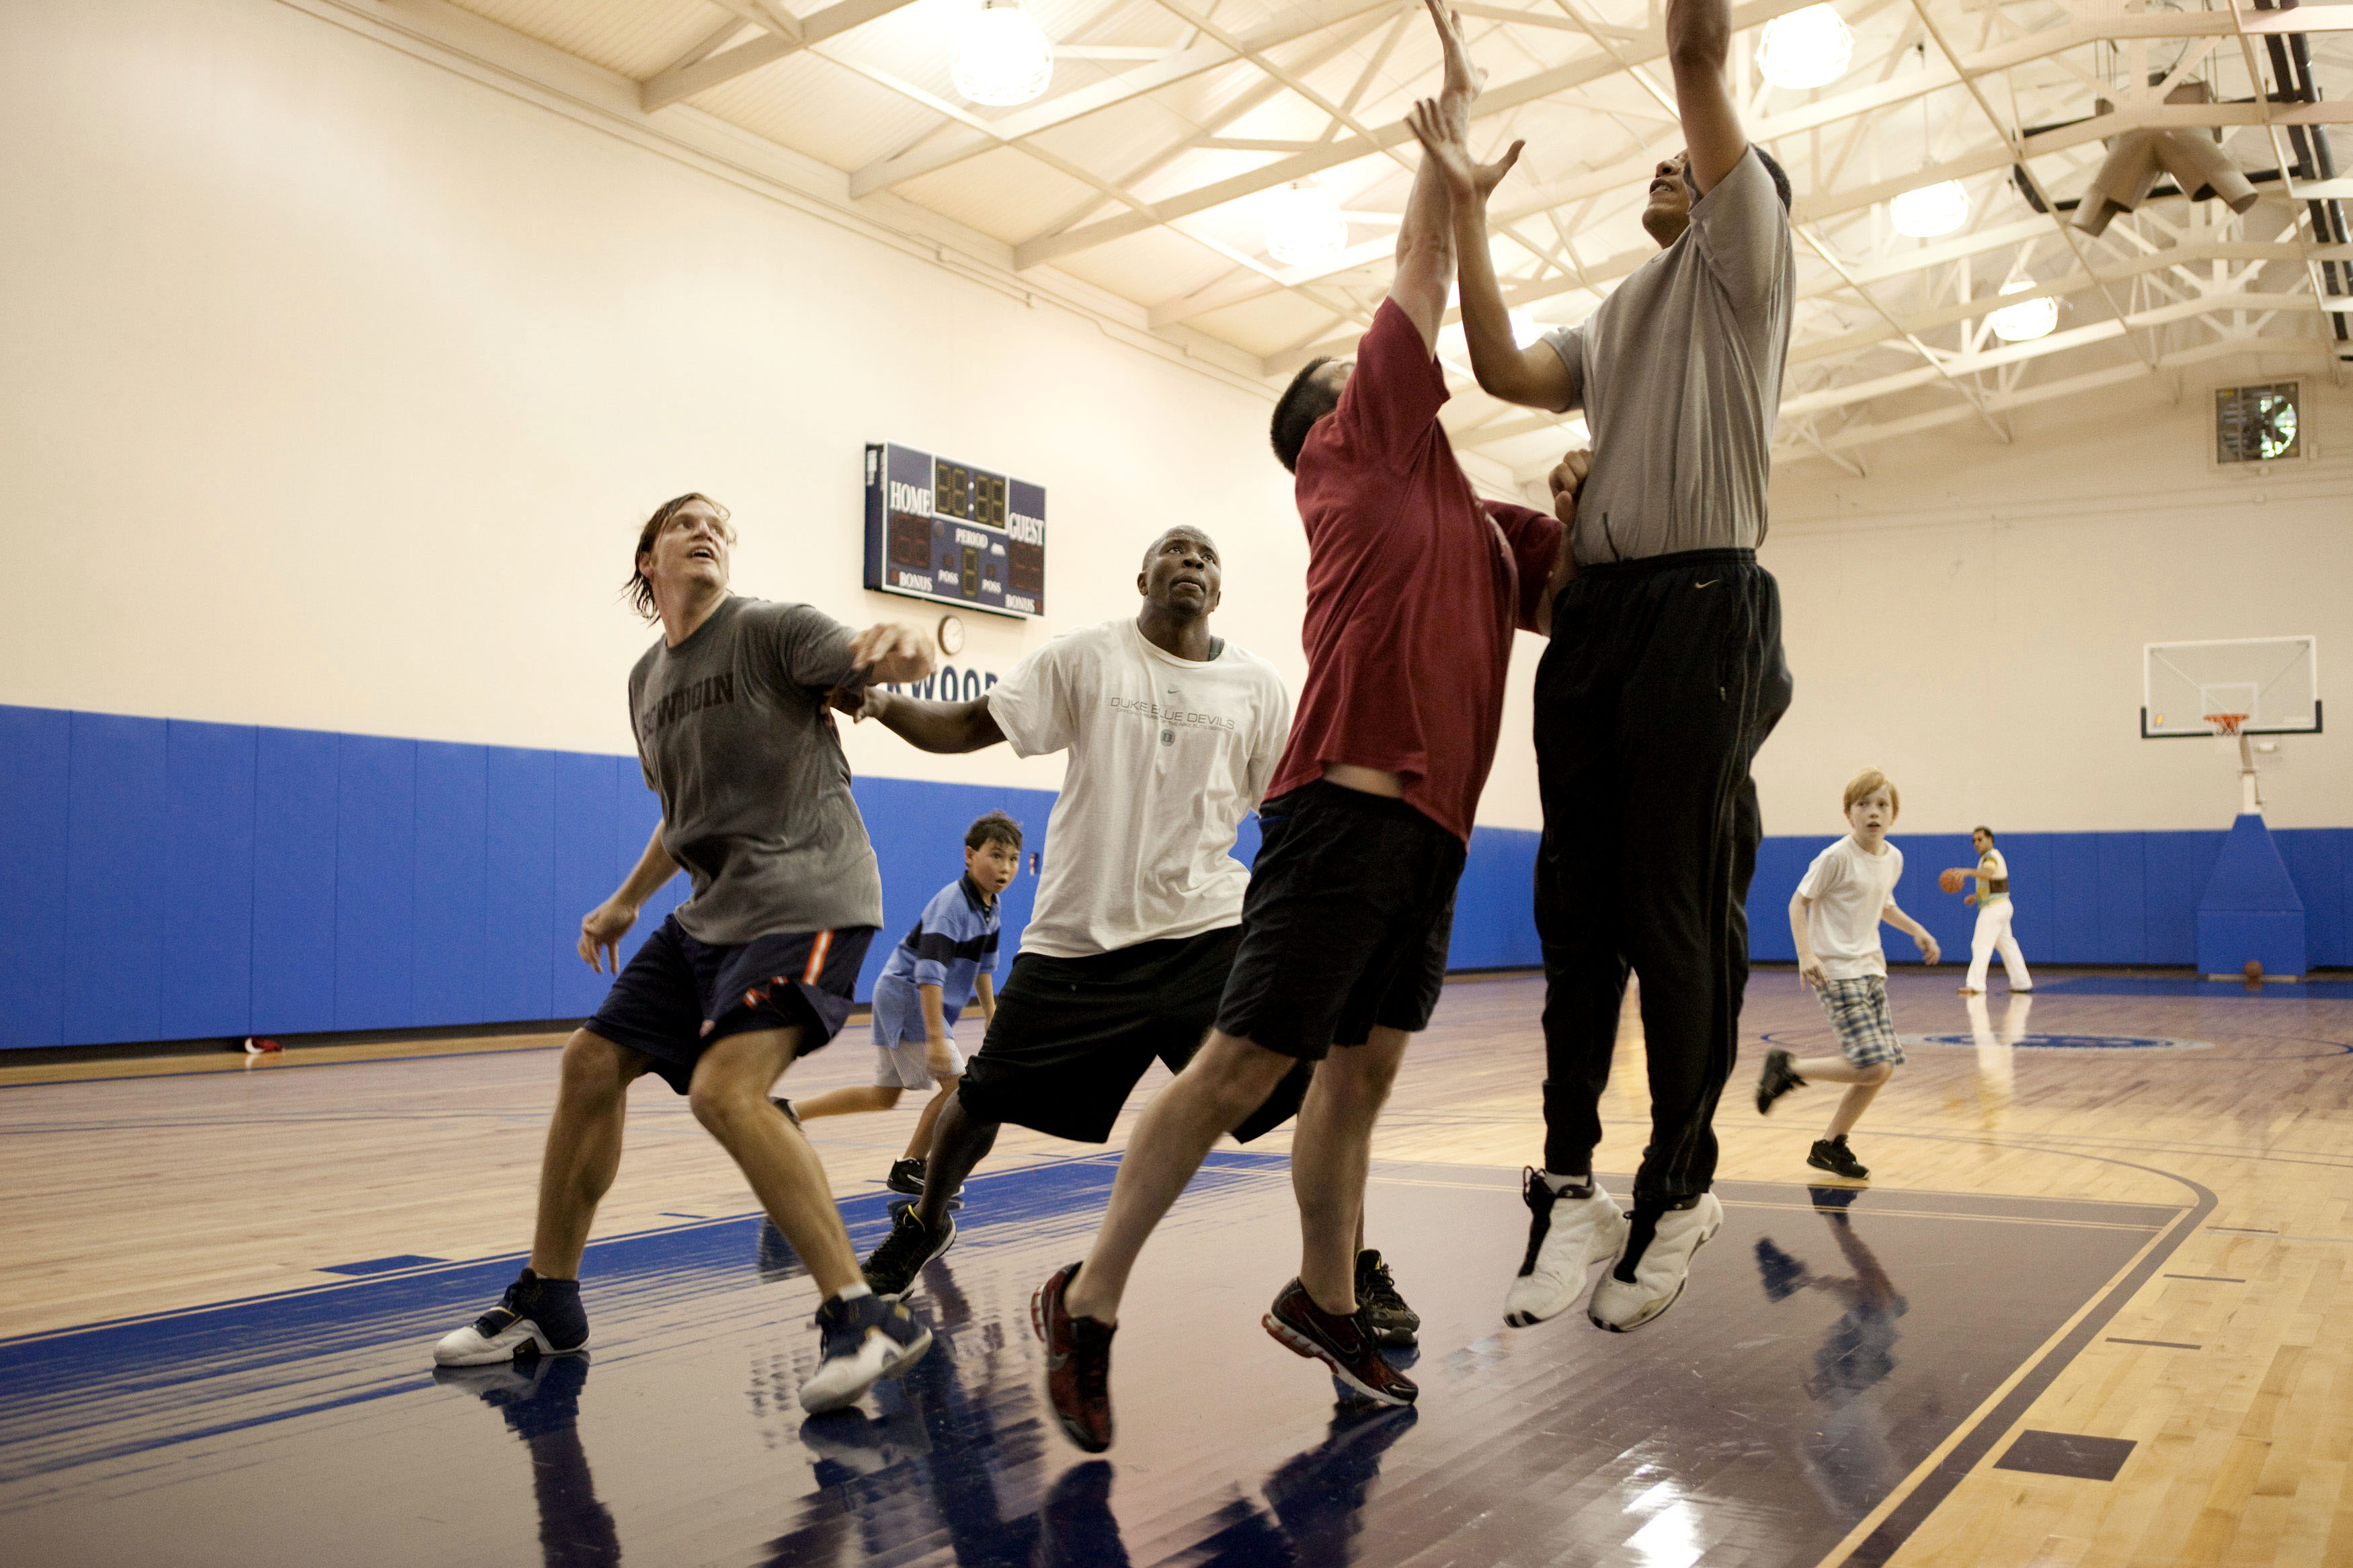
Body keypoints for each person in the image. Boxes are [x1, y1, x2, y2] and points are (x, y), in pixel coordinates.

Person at [1029, 0, 1567, 1452]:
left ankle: (1324, 1296)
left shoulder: (1476, 518)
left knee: (1364, 1073)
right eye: (1360, 363)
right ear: (1327, 418)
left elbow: (1581, 582)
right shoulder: (1350, 453)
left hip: (1435, 835)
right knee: (1238, 1068)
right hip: (1340, 812)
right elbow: (1416, 290)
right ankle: (1086, 1299)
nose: (1386, 362)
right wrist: (1444, 173)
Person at [1408, 0, 1796, 1330]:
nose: (1665, 158)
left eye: (1688, 157)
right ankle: (1569, 1182)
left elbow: (1693, 53)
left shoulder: (1743, 259)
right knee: (1575, 922)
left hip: (1701, 605)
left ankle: (1677, 1185)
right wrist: (1464, 208)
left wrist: (1700, 69)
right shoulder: (1623, 311)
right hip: (1600, 621)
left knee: (1673, 916)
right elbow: (1504, 363)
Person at [843, 529, 1422, 1367]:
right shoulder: (1084, 656)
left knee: (1322, 1098)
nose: (1191, 559)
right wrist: (880, 703)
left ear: (1217, 591)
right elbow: (969, 723)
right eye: (1174, 550)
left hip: (1210, 933)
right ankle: (927, 1220)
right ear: (1143, 576)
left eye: (1207, 555)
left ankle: (1349, 1272)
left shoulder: (1258, 687)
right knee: (982, 1095)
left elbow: (1290, 810)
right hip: (1080, 937)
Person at [431, 492, 940, 1415]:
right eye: (686, 524)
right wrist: (626, 900)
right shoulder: (644, 686)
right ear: (648, 561)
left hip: (808, 892)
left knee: (723, 1091)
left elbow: (887, 657)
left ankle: (864, 1314)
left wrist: (909, 646)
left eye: (720, 527)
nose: (707, 533)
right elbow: (686, 815)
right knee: (590, 1061)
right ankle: (550, 1296)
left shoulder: (774, 631)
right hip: (713, 911)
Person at [776, 811, 1021, 1204]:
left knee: (883, 1096)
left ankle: (788, 1112)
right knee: (958, 1087)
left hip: (905, 998)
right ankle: (910, 1166)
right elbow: (928, 974)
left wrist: (992, 1014)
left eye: (1012, 859)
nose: (1005, 867)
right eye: (996, 855)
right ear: (970, 855)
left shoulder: (992, 909)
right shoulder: (952, 905)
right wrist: (938, 1038)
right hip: (909, 996)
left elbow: (984, 968)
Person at [1754, 769, 1940, 1182]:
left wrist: (1918, 931)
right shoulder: (1836, 857)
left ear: (1893, 815)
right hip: (1835, 970)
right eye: (1863, 805)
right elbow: (1797, 904)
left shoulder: (1893, 858)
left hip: (1872, 970)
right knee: (1872, 1065)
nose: (1873, 812)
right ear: (1848, 814)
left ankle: (1830, 1145)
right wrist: (1805, 955)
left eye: (1882, 805)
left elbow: (1884, 906)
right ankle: (1789, 1068)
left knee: (1884, 1067)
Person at [1950, 827, 2033, 995]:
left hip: (1994, 909)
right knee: (2007, 946)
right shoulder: (1990, 858)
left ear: (1990, 840)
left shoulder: (1990, 857)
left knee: (1980, 944)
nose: (1976, 843)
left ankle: (1975, 985)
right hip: (2002, 906)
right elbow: (1994, 884)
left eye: (1980, 839)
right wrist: (1977, 897)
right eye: (1974, 841)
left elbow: (1987, 874)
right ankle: (2021, 982)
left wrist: (1966, 872)